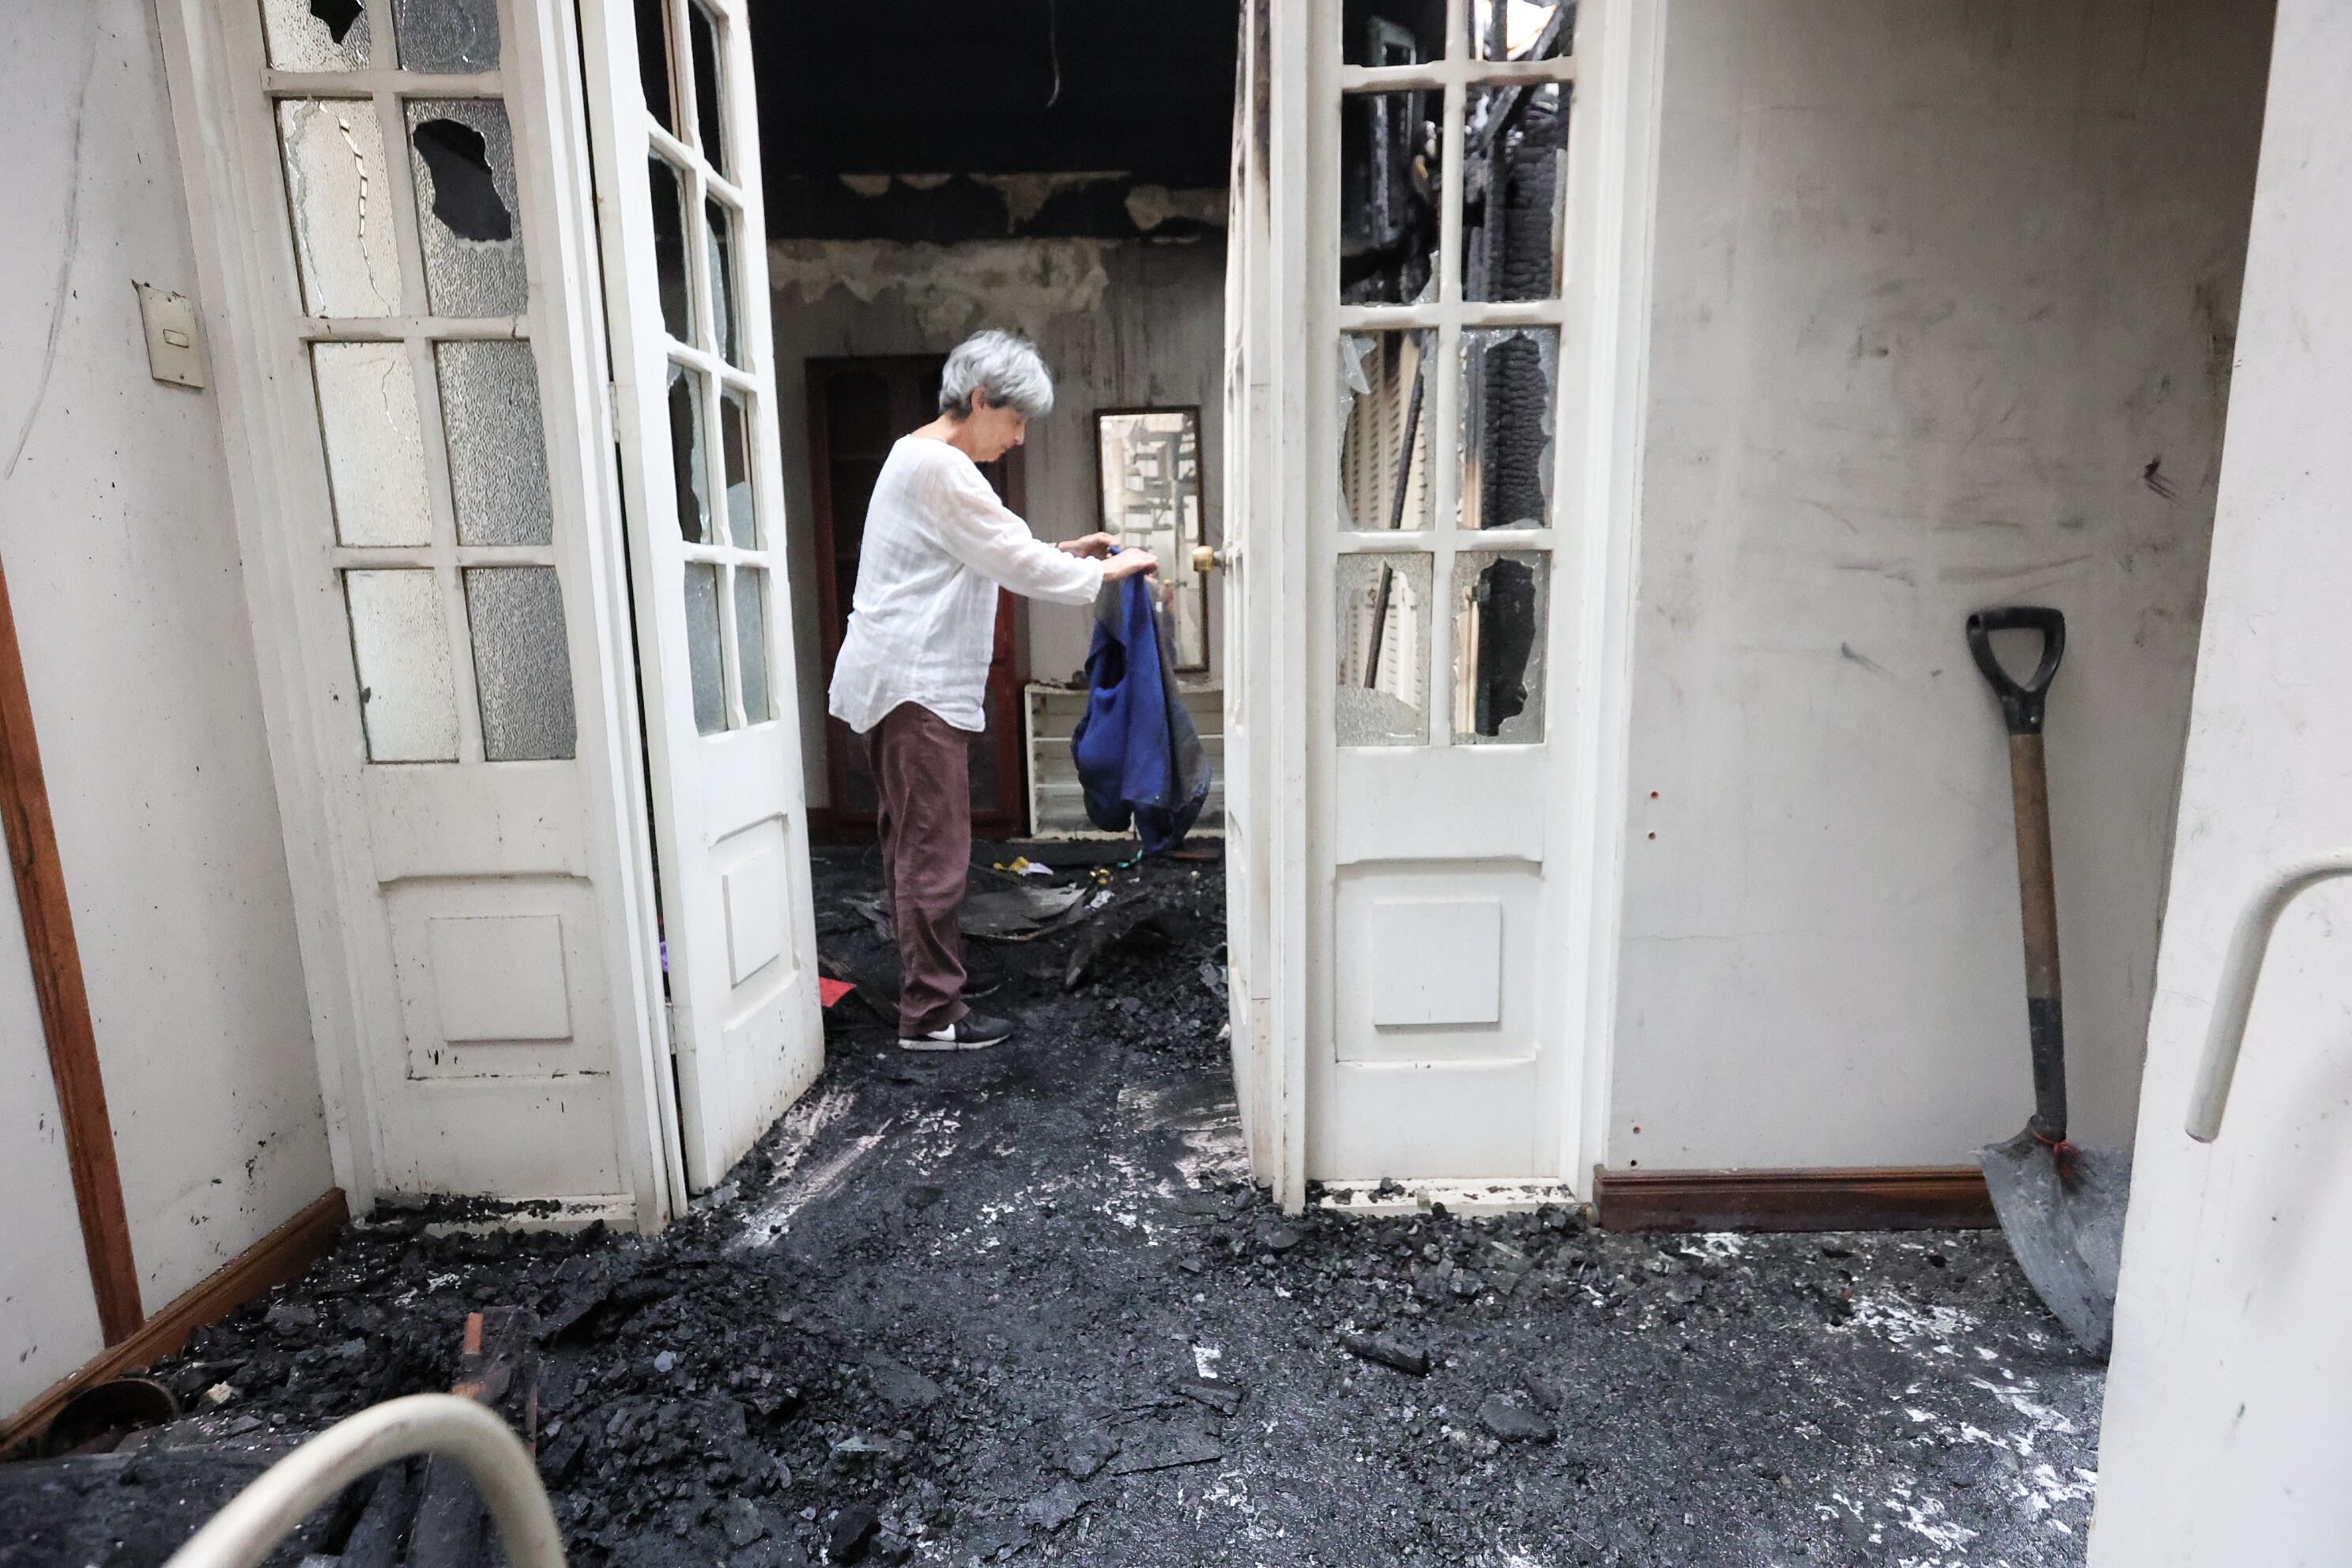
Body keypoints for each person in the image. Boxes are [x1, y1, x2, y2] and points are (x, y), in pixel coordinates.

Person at [828, 330, 1158, 1050]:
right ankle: (932, 1016)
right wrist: (1107, 571)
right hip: (915, 686)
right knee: (931, 852)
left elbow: (989, 550)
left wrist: (1069, 552)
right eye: (1014, 421)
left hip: (901, 680)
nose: (1017, 439)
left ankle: (934, 983)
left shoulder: (916, 457)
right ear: (980, 401)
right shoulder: (942, 468)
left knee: (915, 846)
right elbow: (1010, 558)